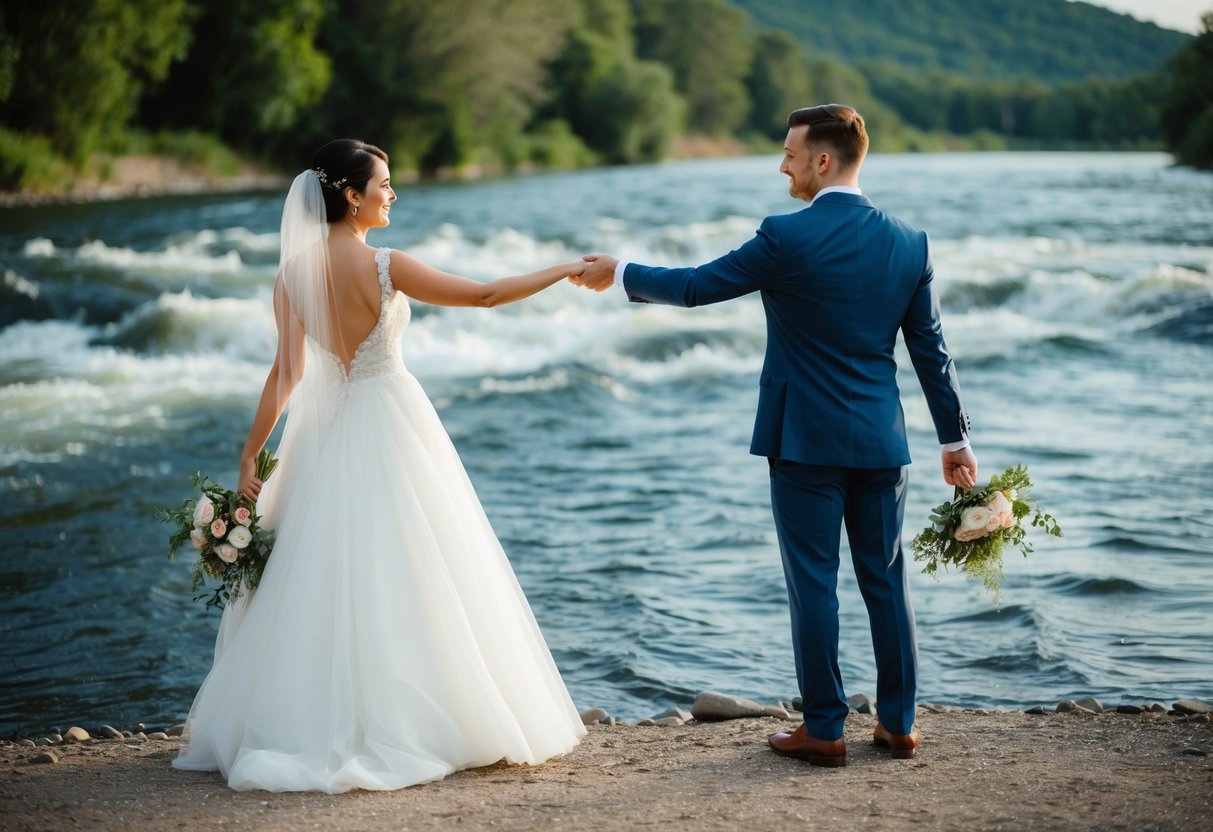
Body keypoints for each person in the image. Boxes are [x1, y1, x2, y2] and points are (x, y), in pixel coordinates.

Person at [172, 139, 587, 793]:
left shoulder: (291, 276)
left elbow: (286, 373)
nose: (393, 194)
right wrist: (562, 268)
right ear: (351, 195)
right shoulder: (385, 266)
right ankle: (415, 719)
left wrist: (251, 452)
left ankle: (306, 719)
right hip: (391, 423)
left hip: (323, 431)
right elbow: (483, 296)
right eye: (384, 184)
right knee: (413, 570)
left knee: (324, 576)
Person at [571, 104, 978, 767]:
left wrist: (619, 271)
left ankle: (824, 729)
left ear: (822, 160)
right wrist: (953, 440)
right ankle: (899, 724)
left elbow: (698, 286)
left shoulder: (785, 237)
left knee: (813, 583)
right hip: (881, 441)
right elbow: (930, 351)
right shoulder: (910, 242)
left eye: (789, 153)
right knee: (887, 580)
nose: (780, 165)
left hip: (803, 442)